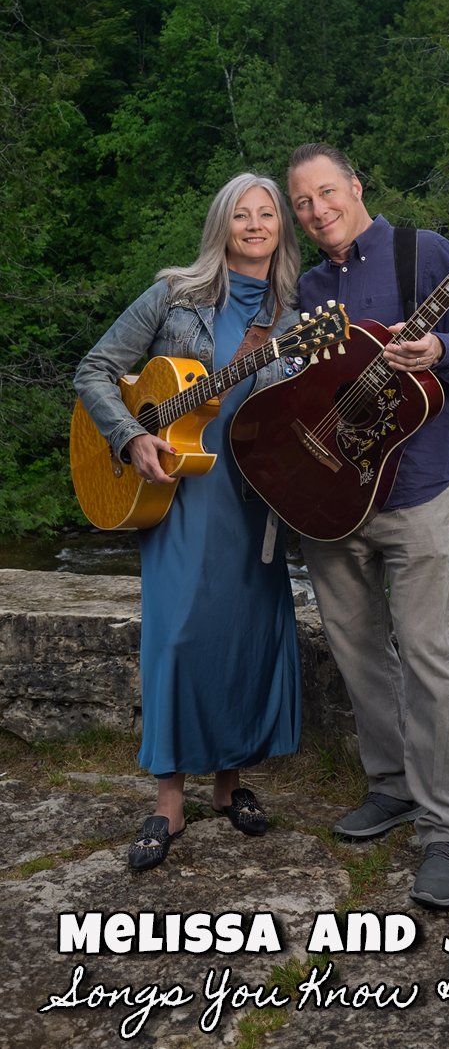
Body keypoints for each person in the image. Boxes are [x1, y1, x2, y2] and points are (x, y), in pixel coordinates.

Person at [287, 143, 449, 908]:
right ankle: (392, 785)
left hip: (413, 491)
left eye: (325, 193)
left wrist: (439, 347)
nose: (316, 211)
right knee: (355, 650)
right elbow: (303, 391)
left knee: (430, 655)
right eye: (302, 203)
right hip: (328, 498)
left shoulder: (424, 253)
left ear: (355, 184)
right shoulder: (309, 286)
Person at [74, 173, 304, 871]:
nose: (256, 223)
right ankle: (168, 797)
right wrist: (130, 437)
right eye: (243, 213)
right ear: (222, 225)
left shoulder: (294, 315)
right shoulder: (173, 294)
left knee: (243, 636)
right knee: (176, 637)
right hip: (172, 493)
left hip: (251, 494)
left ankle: (229, 784)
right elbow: (95, 368)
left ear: (280, 229)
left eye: (267, 213)